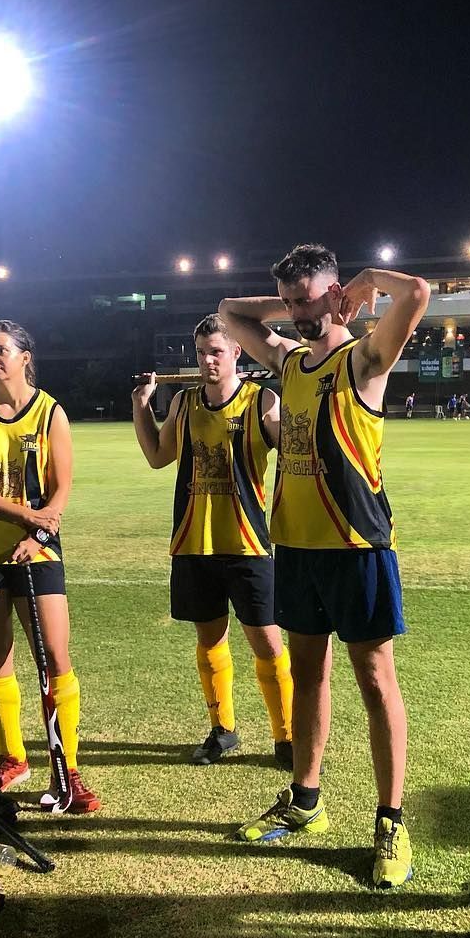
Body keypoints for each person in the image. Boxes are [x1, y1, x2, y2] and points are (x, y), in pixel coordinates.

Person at [220, 243, 430, 889]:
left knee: (374, 678)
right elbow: (229, 311)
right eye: (287, 301)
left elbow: (417, 292)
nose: (294, 311)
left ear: (336, 293)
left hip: (357, 543)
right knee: (306, 674)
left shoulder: (363, 358)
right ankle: (305, 800)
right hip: (298, 543)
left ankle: (392, 821)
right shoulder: (288, 360)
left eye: (306, 298)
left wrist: (364, 284)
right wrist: (289, 306)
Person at [131, 314, 294, 767]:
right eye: (202, 353)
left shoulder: (262, 401)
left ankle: (287, 737)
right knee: (210, 641)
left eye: (216, 352)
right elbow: (158, 456)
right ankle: (223, 730)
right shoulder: (183, 404)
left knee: (267, 642)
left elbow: (295, 448)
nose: (207, 361)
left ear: (236, 352)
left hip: (248, 543)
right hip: (193, 541)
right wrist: (142, 407)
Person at [0, 320, 99, 813]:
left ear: (25, 357)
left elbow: (61, 488)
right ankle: (12, 758)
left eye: (1, 350)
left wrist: (38, 533)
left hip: (38, 548)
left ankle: (68, 767)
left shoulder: (50, 411)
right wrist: (24, 516)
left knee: (55, 658)